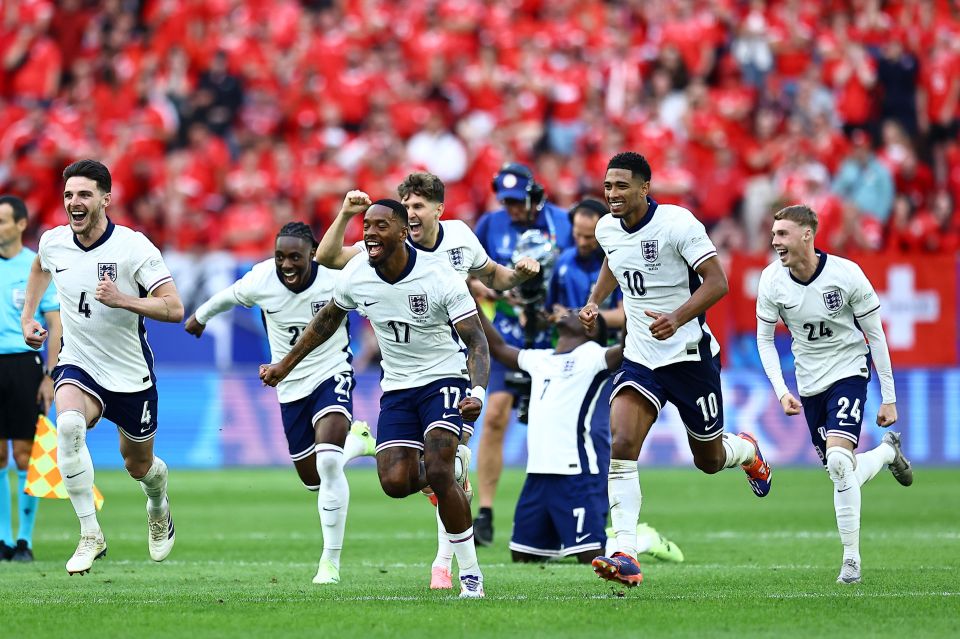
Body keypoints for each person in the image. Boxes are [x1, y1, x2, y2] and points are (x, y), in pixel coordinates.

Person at [314, 174, 540, 588]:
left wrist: (520, 276)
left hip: (454, 366)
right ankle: (448, 542)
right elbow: (329, 258)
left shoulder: (459, 240)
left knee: (441, 467)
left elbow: (495, 277)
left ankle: (449, 566)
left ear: (438, 209)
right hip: (402, 376)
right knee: (430, 475)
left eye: (418, 206)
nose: (412, 214)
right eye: (407, 205)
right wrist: (347, 212)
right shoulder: (386, 248)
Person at [261, 199, 491, 598]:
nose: (369, 233)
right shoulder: (357, 274)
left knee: (436, 470)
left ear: (403, 232)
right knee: (395, 482)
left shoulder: (439, 275)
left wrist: (476, 391)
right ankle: (452, 469)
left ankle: (470, 577)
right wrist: (284, 364)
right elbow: (328, 320)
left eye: (380, 226)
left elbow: (476, 340)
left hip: (444, 379)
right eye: (366, 226)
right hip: (398, 387)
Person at [580, 152, 771, 587]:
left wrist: (678, 318)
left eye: (622, 186)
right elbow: (614, 259)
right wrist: (596, 300)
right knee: (623, 441)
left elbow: (717, 282)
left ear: (645, 188)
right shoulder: (607, 227)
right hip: (641, 357)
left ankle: (745, 451)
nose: (612, 194)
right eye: (608, 186)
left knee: (709, 459)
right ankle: (624, 550)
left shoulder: (678, 224)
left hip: (689, 357)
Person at [184, 222, 375, 585]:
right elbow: (228, 296)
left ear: (313, 254)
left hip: (331, 373)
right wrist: (200, 317)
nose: (286, 264)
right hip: (289, 388)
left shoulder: (336, 278)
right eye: (280, 257)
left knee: (330, 463)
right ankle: (358, 443)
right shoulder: (261, 280)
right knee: (314, 480)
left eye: (295, 257)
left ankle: (329, 564)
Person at [19, 159, 184, 575]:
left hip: (131, 374)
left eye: (84, 195)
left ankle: (158, 505)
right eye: (69, 195)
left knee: (139, 466)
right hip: (79, 361)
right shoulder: (54, 242)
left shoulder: (134, 247)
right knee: (70, 426)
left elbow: (174, 307)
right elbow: (40, 266)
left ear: (106, 199)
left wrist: (125, 299)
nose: (74, 202)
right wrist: (28, 316)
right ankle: (91, 533)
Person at [756, 204, 913, 584]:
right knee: (841, 471)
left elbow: (875, 335)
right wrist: (781, 391)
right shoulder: (772, 280)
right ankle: (888, 452)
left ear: (807, 235)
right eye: (774, 234)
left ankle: (851, 562)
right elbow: (764, 340)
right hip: (809, 384)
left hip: (848, 371)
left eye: (782, 234)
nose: (775, 241)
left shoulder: (846, 275)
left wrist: (888, 396)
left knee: (840, 464)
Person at [546, 198, 682, 564]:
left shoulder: (631, 248)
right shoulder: (564, 264)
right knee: (586, 440)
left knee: (604, 438)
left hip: (618, 355)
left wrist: (594, 316)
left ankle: (617, 531)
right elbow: (554, 310)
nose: (585, 240)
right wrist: (563, 316)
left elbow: (630, 310)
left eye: (589, 235)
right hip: (577, 362)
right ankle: (615, 534)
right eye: (578, 234)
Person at [472, 162, 572, 545]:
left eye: (517, 201)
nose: (511, 208)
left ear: (535, 196)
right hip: (508, 334)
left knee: (555, 425)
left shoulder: (563, 222)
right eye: (506, 201)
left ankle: (561, 512)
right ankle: (485, 512)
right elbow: (468, 273)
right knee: (495, 415)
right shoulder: (489, 224)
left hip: (552, 335)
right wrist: (495, 292)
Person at [0, 195, 61, 562]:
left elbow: (55, 324)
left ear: (21, 224)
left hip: (25, 365)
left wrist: (50, 375)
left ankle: (24, 540)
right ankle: (3, 540)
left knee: (25, 455)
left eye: (3, 220)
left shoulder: (35, 267)